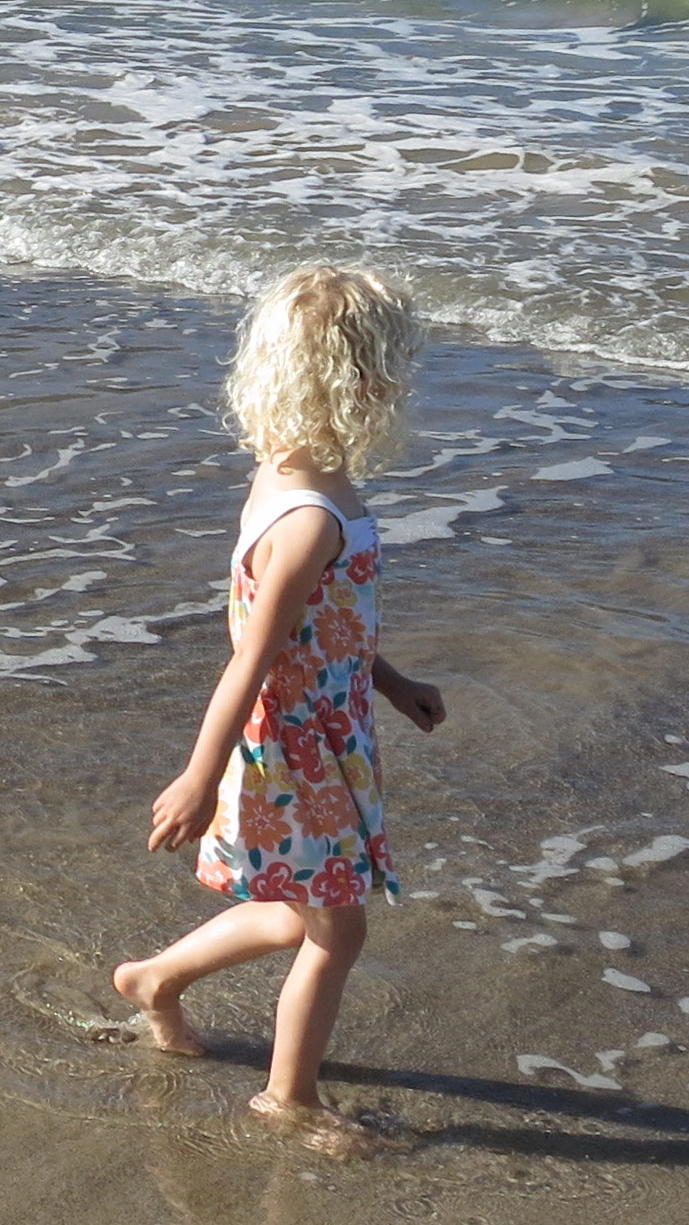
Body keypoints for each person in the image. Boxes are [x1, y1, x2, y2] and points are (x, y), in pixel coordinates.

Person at [114, 262, 444, 1150]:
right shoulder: (308, 517)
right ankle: (286, 1098)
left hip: (328, 729)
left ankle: (154, 979)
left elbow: (322, 632)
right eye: (393, 365)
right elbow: (254, 659)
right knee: (339, 930)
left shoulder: (293, 474)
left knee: (304, 909)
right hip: (297, 750)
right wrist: (198, 774)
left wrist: (392, 680)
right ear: (361, 380)